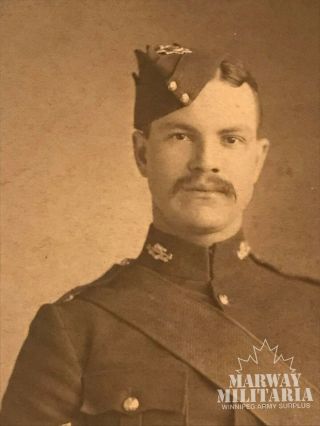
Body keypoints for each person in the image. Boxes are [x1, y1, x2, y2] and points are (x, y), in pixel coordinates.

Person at [1, 43, 319, 426]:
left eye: (230, 139)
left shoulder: (312, 313)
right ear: (142, 154)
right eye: (180, 136)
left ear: (258, 159)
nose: (206, 162)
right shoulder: (76, 327)